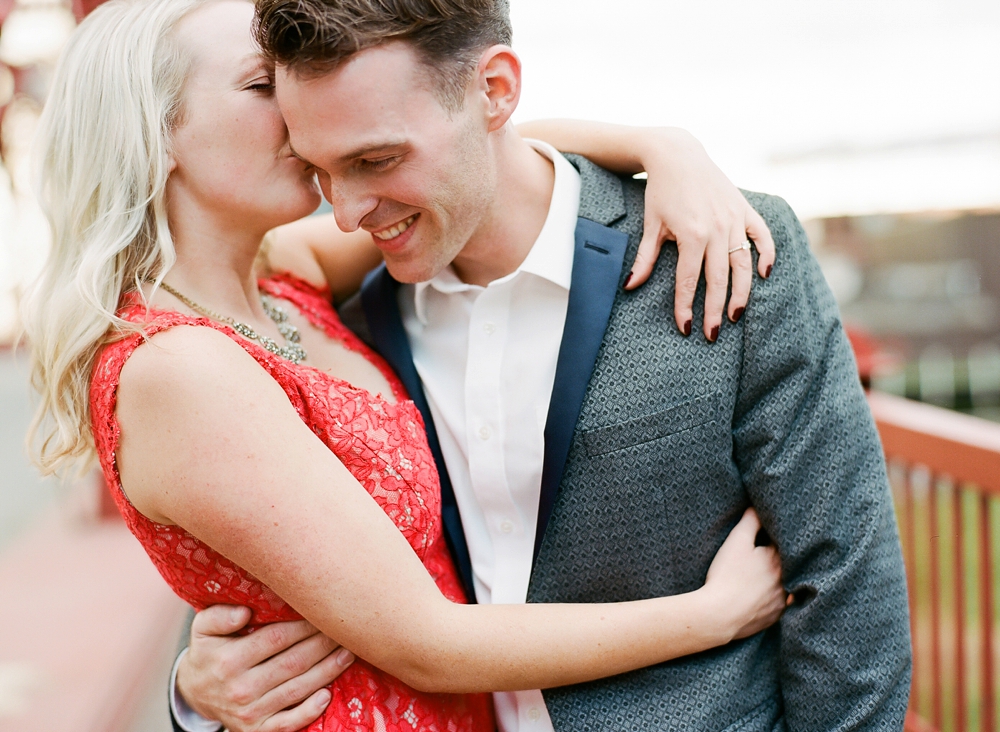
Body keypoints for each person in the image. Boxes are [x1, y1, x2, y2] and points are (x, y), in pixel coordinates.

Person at [23, 1, 791, 732]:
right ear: (152, 133)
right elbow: (427, 642)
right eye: (264, 85)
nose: (296, 106)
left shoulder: (284, 276)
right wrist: (713, 615)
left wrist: (662, 147)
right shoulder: (179, 368)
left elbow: (462, 150)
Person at [178, 0, 914, 731]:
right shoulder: (347, 317)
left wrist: (666, 145)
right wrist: (196, 695)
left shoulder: (722, 251)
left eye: (376, 160)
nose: (345, 213)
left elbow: (847, 581)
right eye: (319, 171)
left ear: (496, 91)